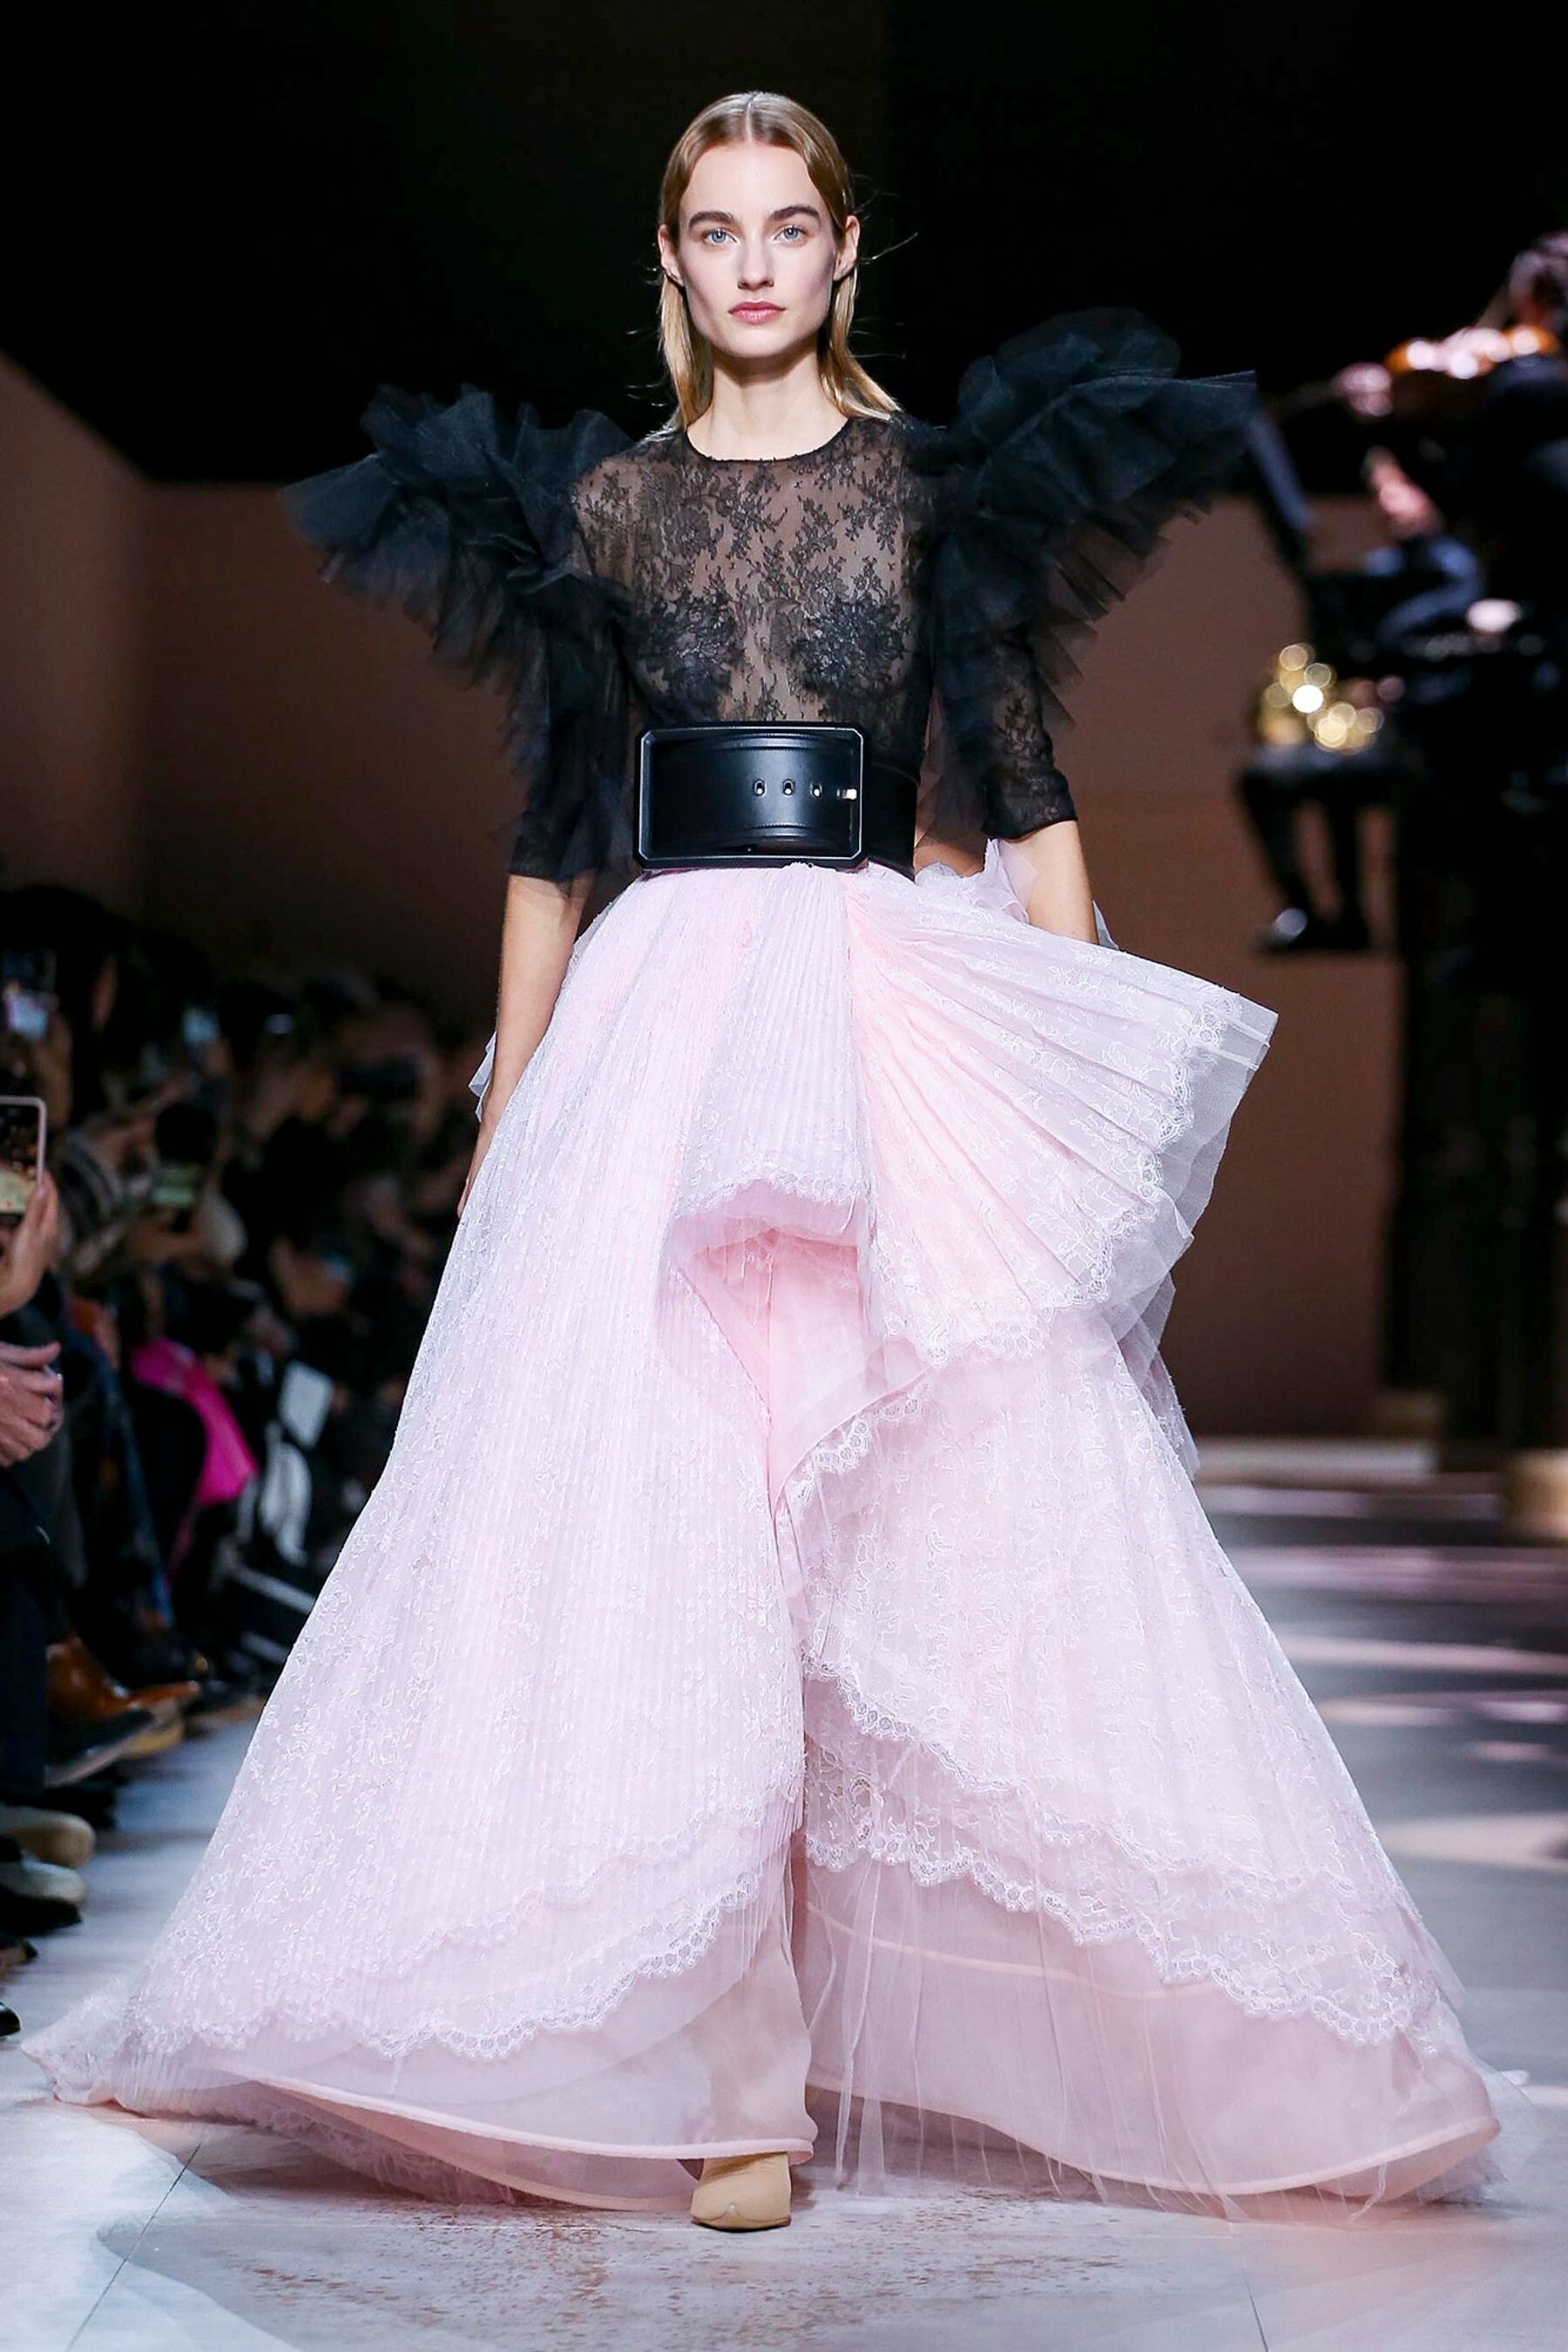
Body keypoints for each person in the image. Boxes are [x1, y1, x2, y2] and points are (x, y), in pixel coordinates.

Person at [22, 91, 1529, 2234]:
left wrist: (1069, 1050)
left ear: (842, 253)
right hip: (662, 1022)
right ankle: (729, 2075)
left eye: (787, 227)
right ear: (673, 261)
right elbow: (556, 821)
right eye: (715, 229)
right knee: (667, 1520)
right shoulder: (611, 507)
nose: (752, 264)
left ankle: (1100, 2039)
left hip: (873, 1001)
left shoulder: (930, 496)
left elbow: (1016, 773)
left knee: (924, 1509)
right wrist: (514, 1096)